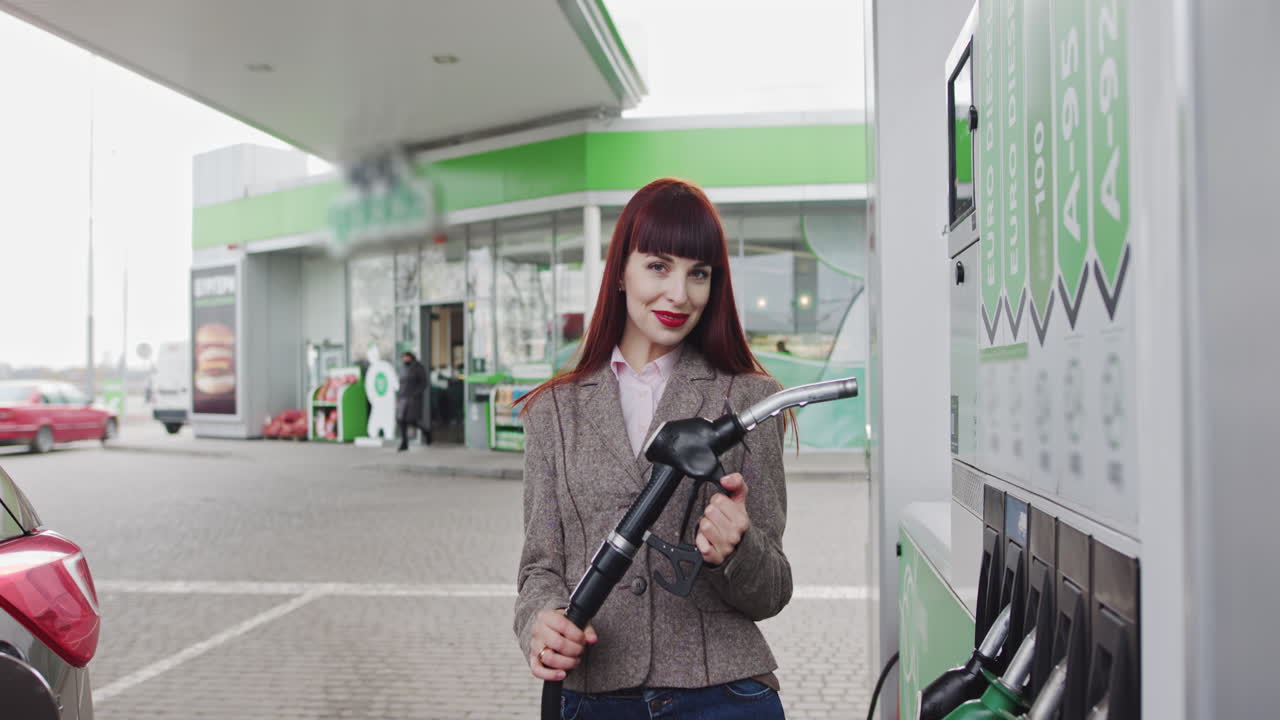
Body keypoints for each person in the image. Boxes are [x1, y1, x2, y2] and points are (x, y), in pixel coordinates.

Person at [514, 178, 792, 718]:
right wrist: (540, 621)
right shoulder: (553, 413)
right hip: (594, 696)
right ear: (621, 270)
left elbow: (773, 588)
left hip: (725, 696)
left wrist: (739, 550)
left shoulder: (751, 401)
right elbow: (540, 569)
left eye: (699, 274)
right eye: (659, 266)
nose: (679, 294)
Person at [396, 351, 431, 451]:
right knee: (401, 420)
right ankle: (404, 443)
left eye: (407, 357)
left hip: (413, 399)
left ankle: (426, 432)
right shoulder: (403, 368)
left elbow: (424, 382)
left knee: (412, 420)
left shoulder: (418, 367)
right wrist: (398, 397)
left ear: (411, 357)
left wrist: (416, 393)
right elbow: (401, 383)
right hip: (403, 397)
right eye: (404, 357)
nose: (405, 359)